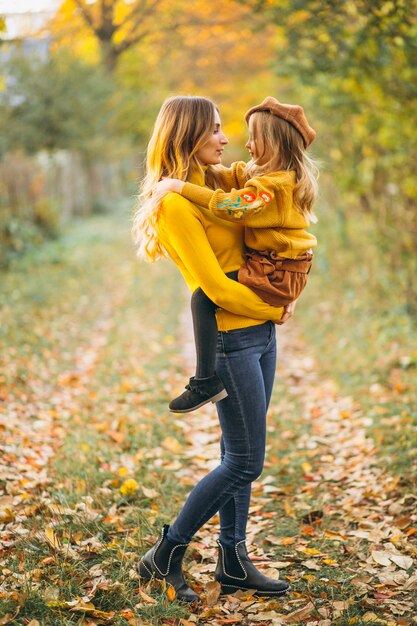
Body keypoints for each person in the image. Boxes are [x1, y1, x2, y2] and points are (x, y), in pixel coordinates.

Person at [132, 95, 293, 603]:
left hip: (260, 336)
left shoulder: (210, 186)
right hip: (232, 338)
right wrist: (273, 309)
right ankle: (164, 555)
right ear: (187, 135)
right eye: (216, 130)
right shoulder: (175, 202)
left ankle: (233, 560)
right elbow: (213, 288)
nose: (225, 139)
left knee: (235, 452)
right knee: (245, 461)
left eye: (226, 129)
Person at [156, 96, 318, 413]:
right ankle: (204, 381)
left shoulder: (272, 186)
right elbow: (232, 178)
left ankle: (204, 381)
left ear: (272, 144)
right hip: (249, 317)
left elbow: (234, 205)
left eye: (254, 138)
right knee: (204, 296)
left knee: (203, 298)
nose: (242, 144)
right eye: (215, 130)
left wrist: (180, 186)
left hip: (278, 272)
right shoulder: (266, 179)